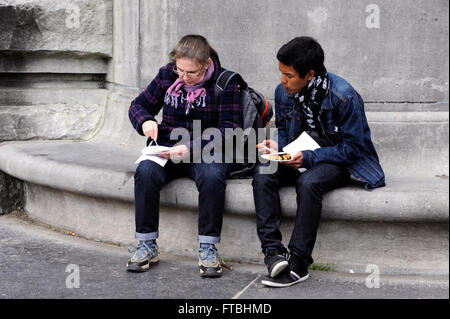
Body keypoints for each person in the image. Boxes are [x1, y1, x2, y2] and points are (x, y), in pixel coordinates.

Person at [253, 36, 385, 287]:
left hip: (338, 160)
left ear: (310, 74)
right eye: (281, 73)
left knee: (309, 182)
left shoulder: (344, 96)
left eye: (289, 75)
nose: (282, 80)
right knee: (263, 169)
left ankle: (299, 263)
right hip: (300, 155)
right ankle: (273, 253)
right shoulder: (283, 92)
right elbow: (283, 126)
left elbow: (354, 149)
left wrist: (311, 157)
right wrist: (280, 147)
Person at [127, 35, 242, 277]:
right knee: (145, 171)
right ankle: (147, 244)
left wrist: (191, 147)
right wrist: (146, 121)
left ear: (206, 64)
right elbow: (138, 106)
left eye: (192, 73)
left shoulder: (225, 82)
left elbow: (230, 129)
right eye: (180, 70)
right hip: (167, 147)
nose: (184, 77)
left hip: (207, 150)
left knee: (212, 176)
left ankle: (208, 247)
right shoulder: (167, 74)